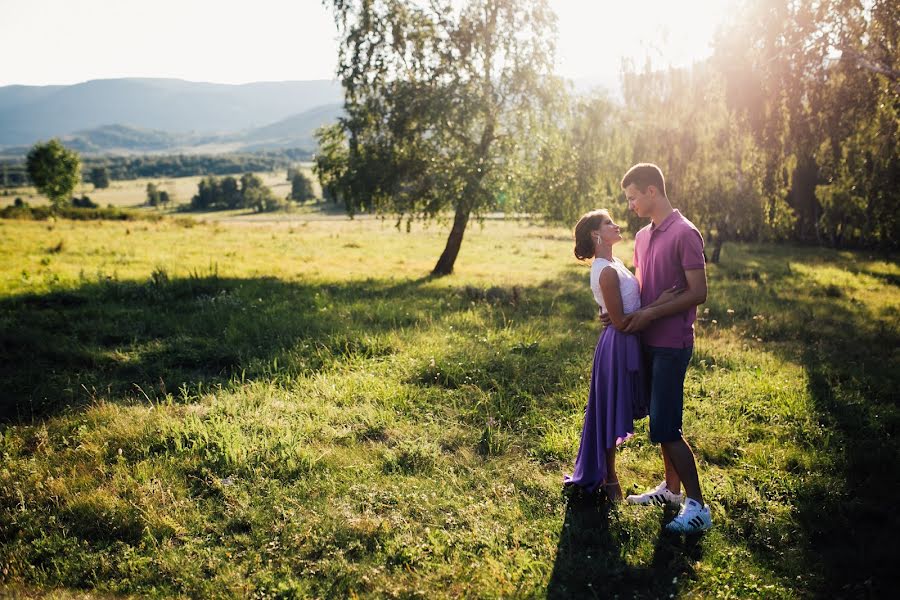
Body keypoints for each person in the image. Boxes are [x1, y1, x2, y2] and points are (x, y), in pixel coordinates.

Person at [613, 163, 712, 533]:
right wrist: (620, 313)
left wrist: (654, 312)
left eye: (633, 197)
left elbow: (698, 292)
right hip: (646, 340)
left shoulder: (686, 234)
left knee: (667, 426)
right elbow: (642, 288)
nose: (631, 205)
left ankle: (699, 506)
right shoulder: (641, 237)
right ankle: (671, 492)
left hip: (672, 343)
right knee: (659, 421)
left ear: (652, 191)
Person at [564, 209, 678, 500]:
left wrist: (626, 313)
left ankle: (611, 475)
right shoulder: (605, 270)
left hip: (628, 340)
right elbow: (621, 322)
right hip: (618, 344)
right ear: (595, 234)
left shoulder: (615, 263)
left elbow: (621, 312)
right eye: (608, 223)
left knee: (616, 407)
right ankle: (609, 479)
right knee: (609, 410)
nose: (616, 225)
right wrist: (659, 305)